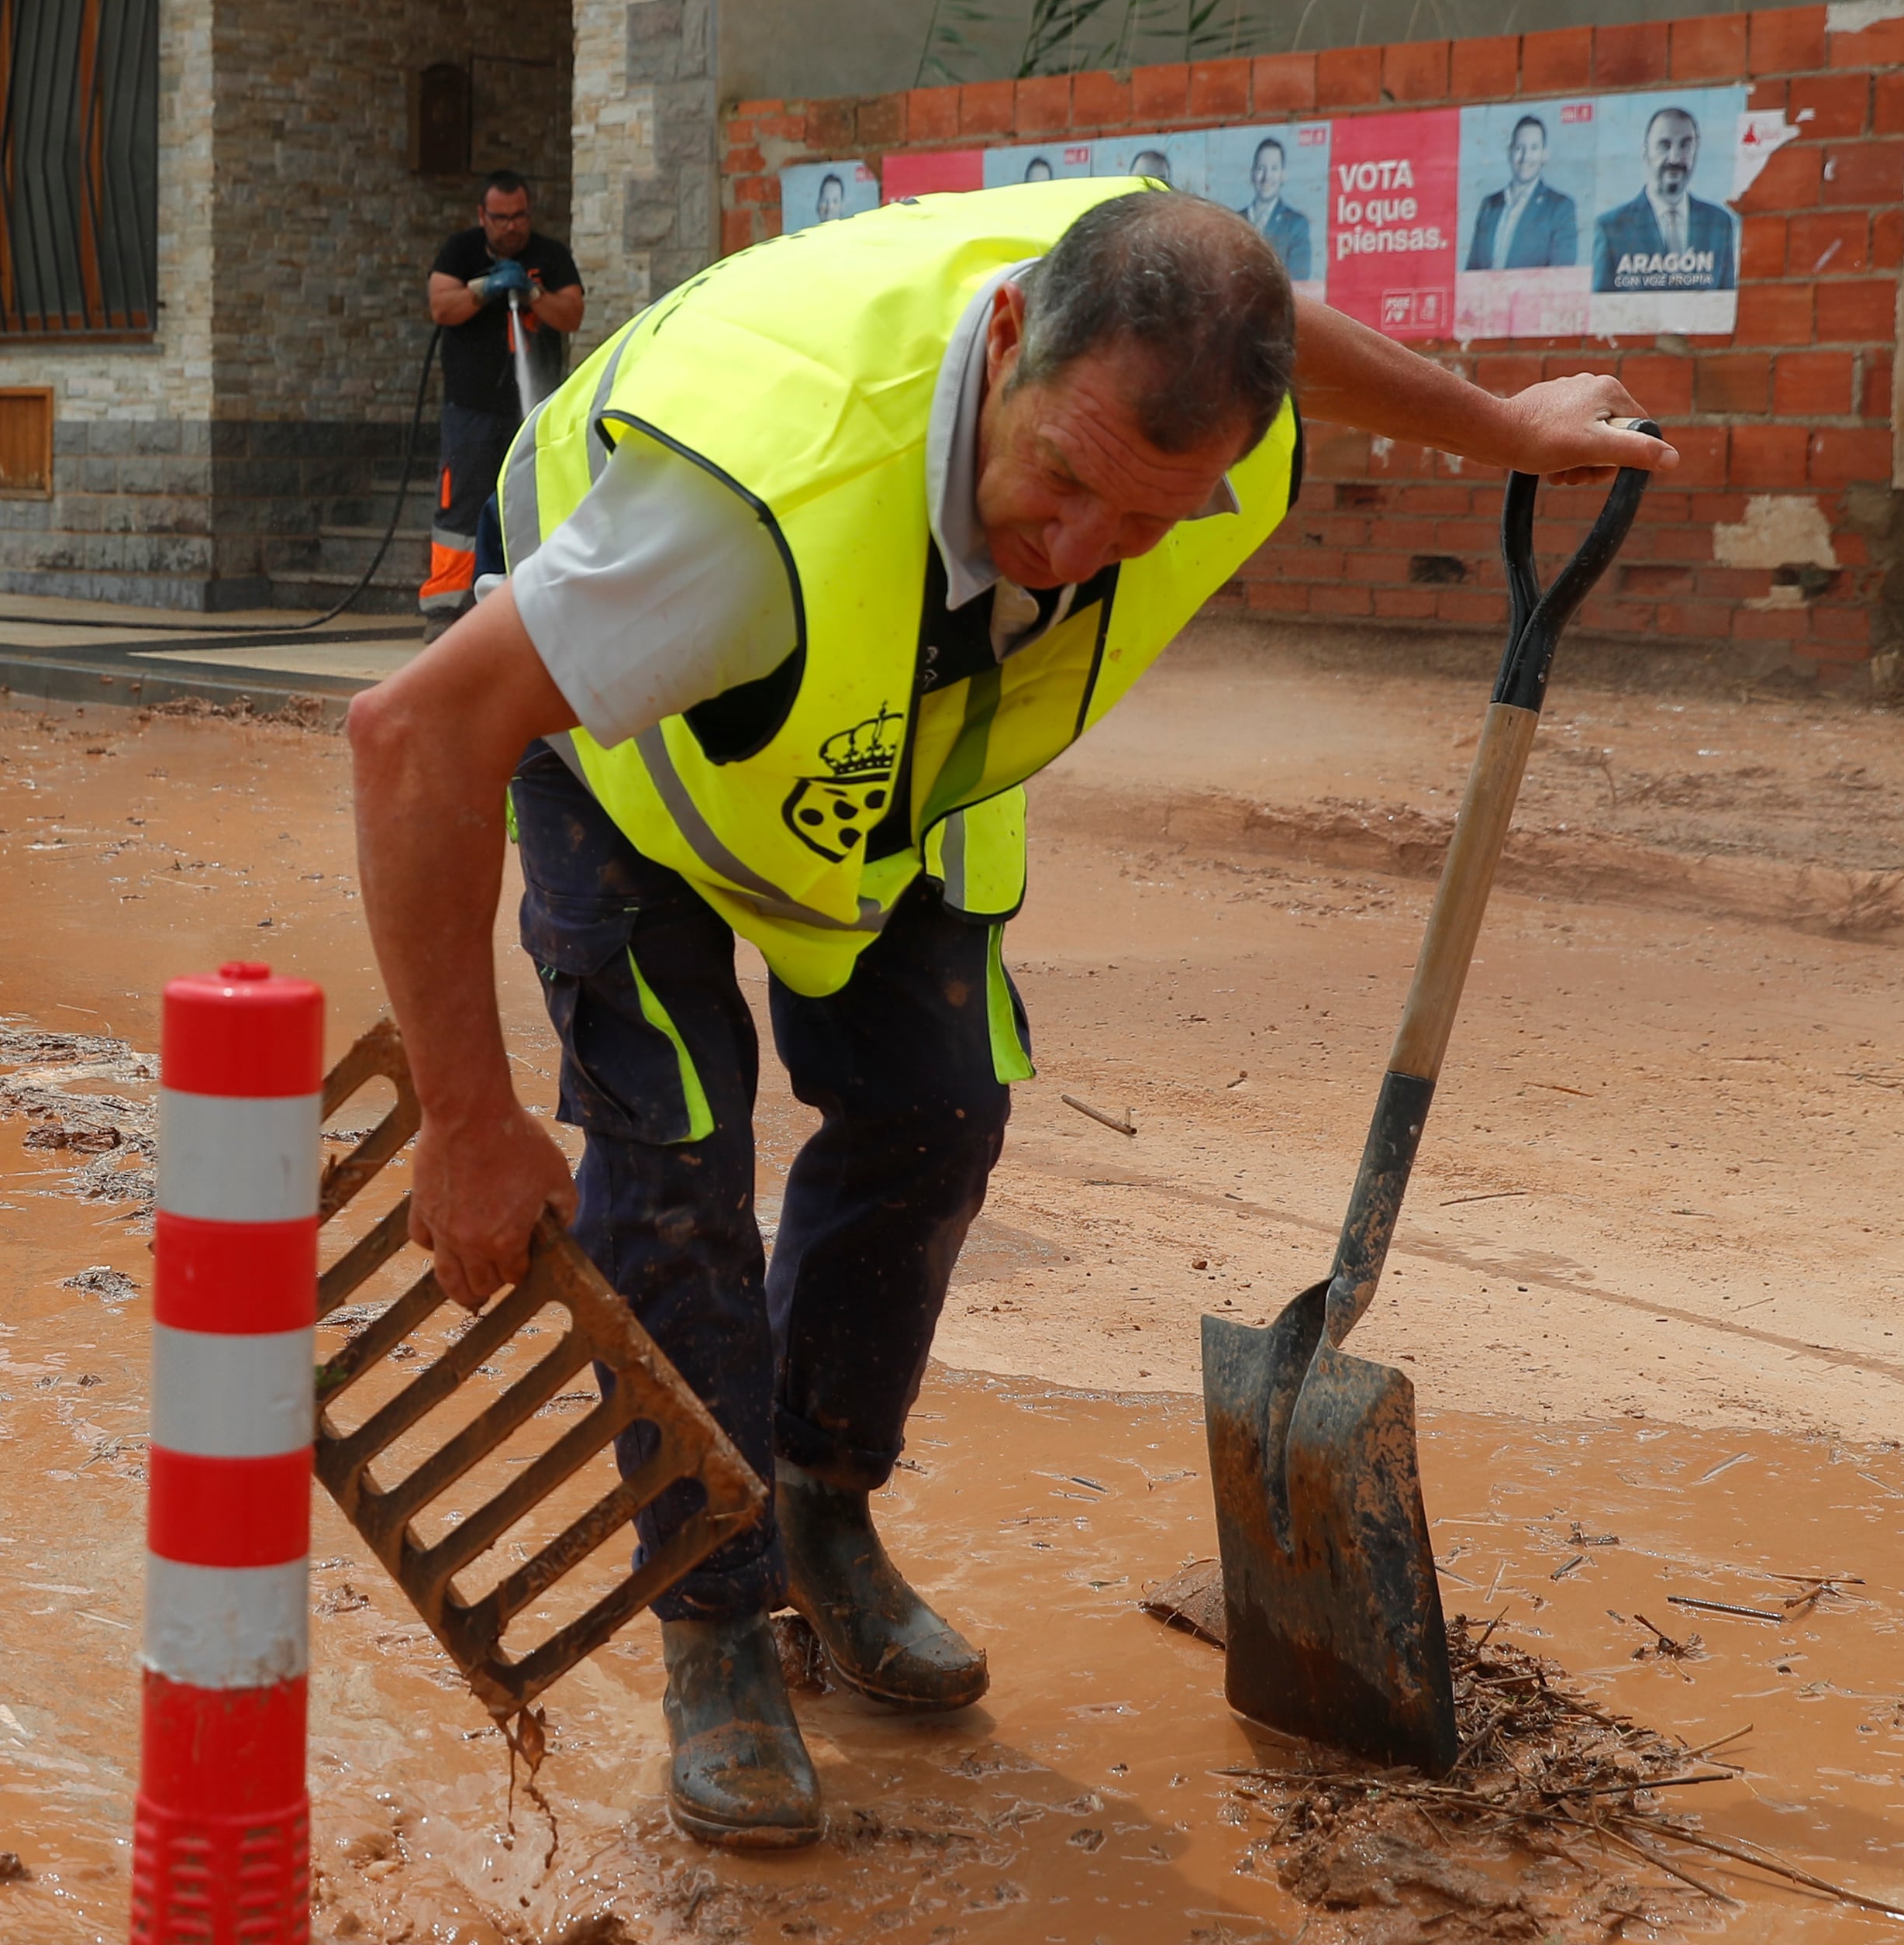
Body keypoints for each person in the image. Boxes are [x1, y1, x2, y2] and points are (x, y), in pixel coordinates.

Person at [343, 181, 1671, 1848]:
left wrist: (1495, 426)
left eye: (1144, 522)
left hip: (898, 736)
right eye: (1059, 481)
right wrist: (466, 1116)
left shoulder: (1189, 399)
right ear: (999, 345)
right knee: (672, 1148)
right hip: (634, 748)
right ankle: (717, 1624)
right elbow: (411, 740)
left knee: (940, 1104)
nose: (1076, 552)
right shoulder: (733, 522)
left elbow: (1265, 323)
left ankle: (820, 1504)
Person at [420, 172, 588, 634]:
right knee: (462, 510)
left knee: (536, 499)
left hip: (533, 412)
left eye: (520, 217)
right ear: (483, 216)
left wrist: (533, 293)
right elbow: (441, 306)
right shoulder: (462, 251)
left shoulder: (550, 257)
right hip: (470, 410)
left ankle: (533, 607)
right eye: (501, 219)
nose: (511, 228)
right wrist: (483, 289)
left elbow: (572, 313)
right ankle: (447, 613)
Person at [1591, 105, 1735, 292]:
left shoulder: (1719, 223)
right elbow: (1602, 310)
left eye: (1685, 145)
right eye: (1664, 146)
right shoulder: (1611, 227)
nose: (1675, 158)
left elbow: (1726, 302)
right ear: (1645, 152)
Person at [1467, 113, 1579, 270]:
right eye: (1519, 148)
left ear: (1544, 155)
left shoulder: (1560, 208)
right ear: (1509, 153)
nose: (1526, 157)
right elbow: (1472, 273)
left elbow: (1561, 276)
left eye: (1534, 148)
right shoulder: (1489, 205)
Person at [1239, 135, 1315, 280]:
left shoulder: (1296, 225)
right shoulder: (1235, 221)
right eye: (1261, 168)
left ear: (1283, 175)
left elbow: (1299, 281)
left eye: (1274, 168)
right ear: (1252, 173)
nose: (1266, 177)